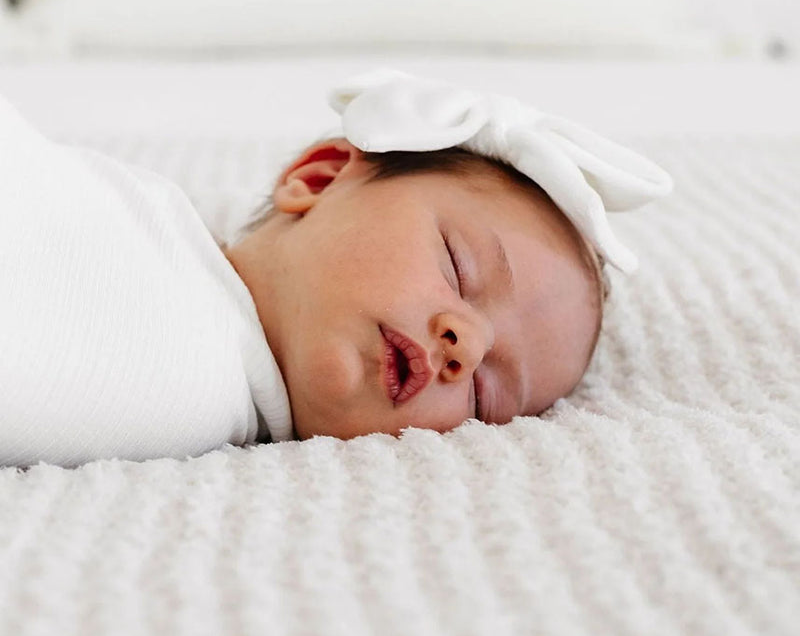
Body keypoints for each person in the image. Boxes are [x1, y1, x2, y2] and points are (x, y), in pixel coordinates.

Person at [0, 69, 671, 468]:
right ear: (317, 178)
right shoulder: (160, 224)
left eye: (486, 398)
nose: (467, 345)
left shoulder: (182, 389)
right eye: (458, 268)